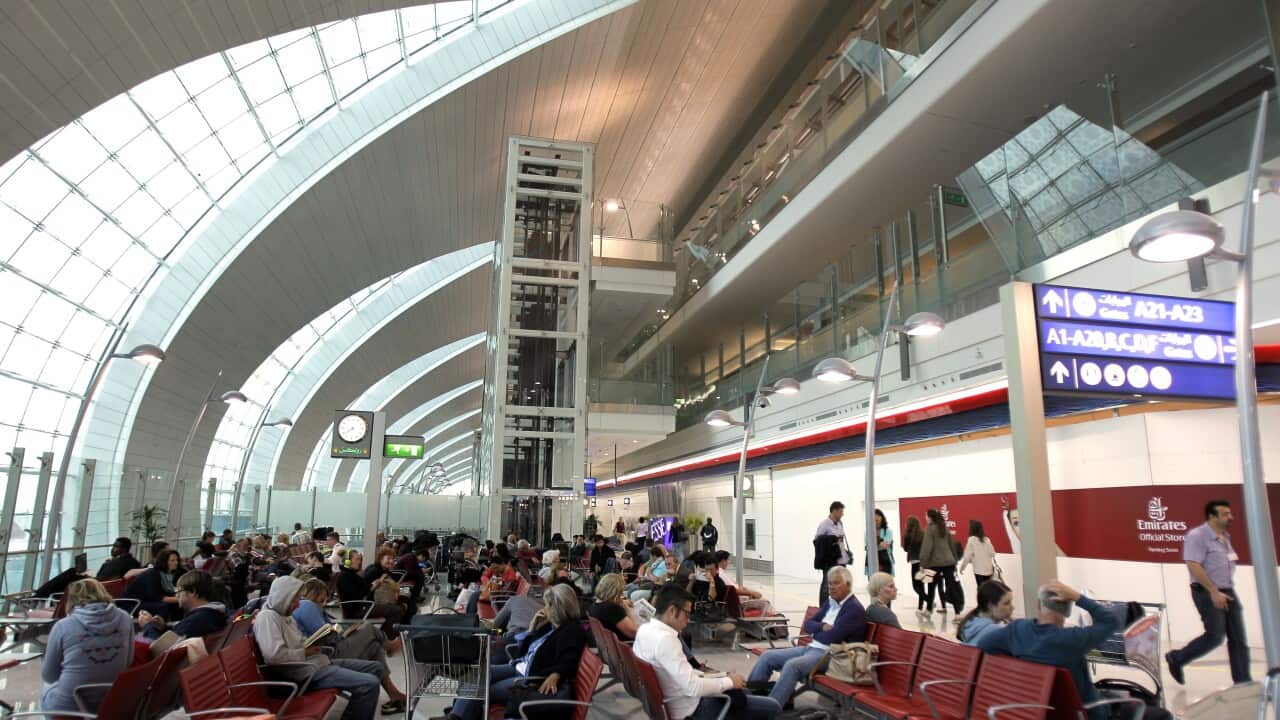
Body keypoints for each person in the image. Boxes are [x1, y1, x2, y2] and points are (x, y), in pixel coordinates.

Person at [975, 580, 1119, 719]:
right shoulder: (1073, 639)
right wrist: (1077, 597)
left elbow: (983, 644)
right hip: (1083, 713)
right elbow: (1112, 621)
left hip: (1039, 711)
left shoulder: (1017, 630)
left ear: (1038, 605)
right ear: (1068, 612)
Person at [445, 583, 587, 720]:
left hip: (527, 679)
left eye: (547, 605)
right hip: (518, 667)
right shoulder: (551, 627)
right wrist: (532, 627)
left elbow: (569, 659)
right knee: (474, 674)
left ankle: (458, 714)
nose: (545, 608)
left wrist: (556, 674)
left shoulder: (571, 631)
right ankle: (458, 712)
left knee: (481, 689)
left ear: (556, 608)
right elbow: (523, 651)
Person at [636, 585, 780, 720]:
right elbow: (693, 688)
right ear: (672, 611)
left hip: (670, 703)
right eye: (687, 614)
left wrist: (719, 677)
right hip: (692, 709)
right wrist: (728, 681)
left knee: (743, 691)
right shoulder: (666, 640)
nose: (688, 620)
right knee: (774, 706)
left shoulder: (644, 630)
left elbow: (682, 675)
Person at [254, 575, 383, 720]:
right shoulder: (267, 618)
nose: (298, 605)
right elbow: (274, 657)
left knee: (376, 667)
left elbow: (298, 642)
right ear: (284, 597)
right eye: (295, 600)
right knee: (369, 683)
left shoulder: (284, 615)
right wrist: (305, 652)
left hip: (316, 662)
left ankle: (354, 713)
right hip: (305, 673)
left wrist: (313, 644)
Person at [747, 566, 866, 709]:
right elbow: (808, 625)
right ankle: (750, 701)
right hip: (812, 648)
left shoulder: (854, 609)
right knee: (767, 657)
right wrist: (821, 627)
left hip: (831, 656)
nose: (831, 587)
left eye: (836, 583)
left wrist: (816, 632)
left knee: (792, 666)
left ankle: (769, 710)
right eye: (830, 583)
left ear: (847, 585)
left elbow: (832, 638)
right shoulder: (830, 603)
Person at [1166, 499, 1251, 685]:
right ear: (1212, 516)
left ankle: (1243, 682)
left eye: (1230, 513)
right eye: (1225, 514)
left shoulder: (1224, 537)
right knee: (1215, 636)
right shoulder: (1197, 536)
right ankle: (1177, 658)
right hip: (1206, 591)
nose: (1231, 517)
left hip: (1228, 590)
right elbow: (1193, 564)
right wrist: (1213, 591)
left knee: (1238, 639)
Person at [293, 578, 406, 713]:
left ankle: (394, 693)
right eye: (321, 600)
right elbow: (325, 634)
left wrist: (344, 631)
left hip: (329, 651)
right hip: (330, 652)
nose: (322, 604)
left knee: (374, 647)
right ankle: (389, 646)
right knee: (369, 629)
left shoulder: (306, 607)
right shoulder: (308, 605)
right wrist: (343, 633)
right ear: (313, 595)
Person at [41, 579, 134, 712]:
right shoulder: (125, 618)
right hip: (111, 699)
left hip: (70, 705)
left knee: (47, 688)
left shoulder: (63, 626)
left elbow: (49, 676)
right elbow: (128, 662)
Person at [140, 570, 228, 640]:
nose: (176, 595)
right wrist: (164, 627)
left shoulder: (197, 620)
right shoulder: (211, 614)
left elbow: (160, 649)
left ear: (192, 592)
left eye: (178, 591)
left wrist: (147, 626)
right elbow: (180, 635)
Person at [919, 508, 960, 617]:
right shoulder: (944, 527)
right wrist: (955, 561)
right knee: (951, 587)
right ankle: (957, 613)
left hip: (934, 564)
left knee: (931, 587)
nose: (925, 518)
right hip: (949, 563)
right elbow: (952, 544)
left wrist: (922, 563)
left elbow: (927, 547)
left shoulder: (929, 529)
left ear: (930, 517)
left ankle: (928, 610)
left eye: (926, 516)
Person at [124, 548, 182, 620]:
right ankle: (161, 628)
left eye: (177, 560)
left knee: (178, 604)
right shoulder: (153, 574)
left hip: (147, 601)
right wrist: (180, 599)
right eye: (172, 560)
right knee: (163, 606)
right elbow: (156, 597)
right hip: (133, 604)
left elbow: (168, 592)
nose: (176, 563)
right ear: (164, 562)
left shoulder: (168, 574)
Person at [813, 501, 851, 607]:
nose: (842, 514)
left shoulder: (840, 523)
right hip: (830, 561)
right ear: (834, 511)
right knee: (827, 585)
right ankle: (823, 607)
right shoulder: (824, 524)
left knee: (841, 583)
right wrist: (832, 539)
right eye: (840, 512)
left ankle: (837, 606)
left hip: (841, 559)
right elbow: (817, 541)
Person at [957, 579, 1013, 645]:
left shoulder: (967, 624)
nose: (1012, 607)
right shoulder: (995, 631)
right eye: (1006, 603)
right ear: (990, 605)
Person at [590, 573, 639, 640]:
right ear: (615, 591)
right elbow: (635, 633)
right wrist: (626, 608)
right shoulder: (613, 609)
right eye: (621, 592)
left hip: (608, 646)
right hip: (626, 646)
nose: (621, 595)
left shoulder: (595, 605)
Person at [902, 515, 927, 620]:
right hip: (923, 563)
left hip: (915, 563)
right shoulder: (922, 534)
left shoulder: (908, 535)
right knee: (921, 585)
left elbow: (906, 549)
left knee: (915, 586)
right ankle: (920, 607)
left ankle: (928, 600)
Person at [958, 519, 996, 587]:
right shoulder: (987, 539)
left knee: (981, 591)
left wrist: (962, 568)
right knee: (989, 591)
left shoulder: (971, 540)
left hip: (979, 572)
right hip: (989, 570)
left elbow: (967, 556)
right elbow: (992, 553)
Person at [872, 508, 893, 575]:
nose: (876, 518)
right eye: (874, 516)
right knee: (874, 583)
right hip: (872, 560)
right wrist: (880, 542)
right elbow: (868, 547)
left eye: (878, 516)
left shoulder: (887, 531)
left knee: (885, 582)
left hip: (885, 561)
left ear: (882, 518)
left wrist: (875, 542)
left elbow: (885, 545)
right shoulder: (869, 532)